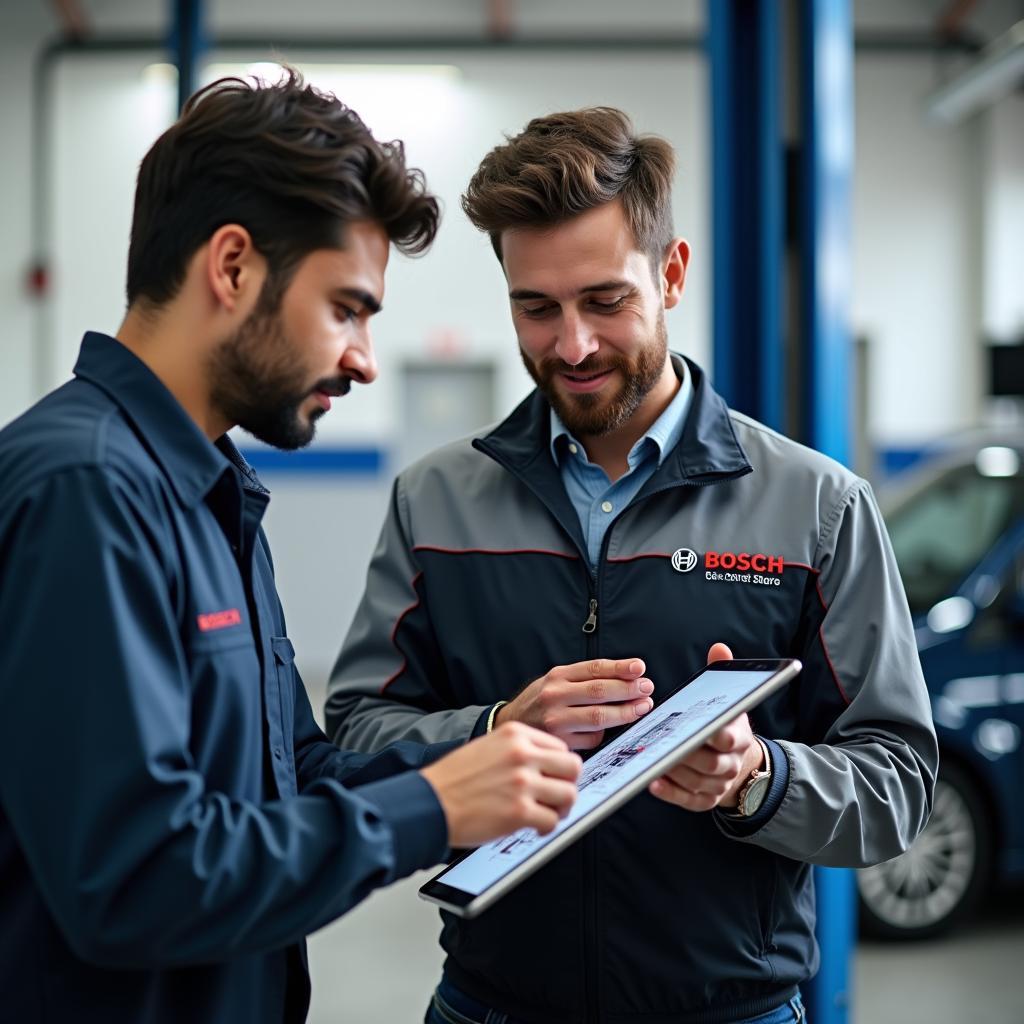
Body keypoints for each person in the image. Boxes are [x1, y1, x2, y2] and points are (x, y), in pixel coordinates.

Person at [326, 106, 938, 1024]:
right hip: (490, 1004)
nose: (571, 347)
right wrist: (491, 730)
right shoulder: (436, 500)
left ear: (673, 274)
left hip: (730, 1010)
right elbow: (350, 739)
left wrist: (759, 778)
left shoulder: (817, 507)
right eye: (536, 308)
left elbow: (897, 783)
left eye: (605, 301)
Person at [0, 71, 583, 1024]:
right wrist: (432, 812)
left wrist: (489, 751)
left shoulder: (211, 492)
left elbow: (290, 777)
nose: (362, 358)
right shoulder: (87, 493)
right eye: (346, 308)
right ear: (232, 268)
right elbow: (134, 876)